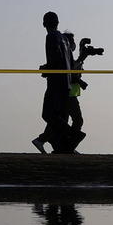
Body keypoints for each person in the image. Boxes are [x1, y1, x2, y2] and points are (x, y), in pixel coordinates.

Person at [32, 12, 73, 154]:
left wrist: (46, 69)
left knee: (48, 114)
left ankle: (70, 135)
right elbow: (68, 62)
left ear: (44, 24)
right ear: (58, 23)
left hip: (56, 82)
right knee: (58, 116)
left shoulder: (51, 37)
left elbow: (56, 58)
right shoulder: (65, 39)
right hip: (66, 82)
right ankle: (61, 145)